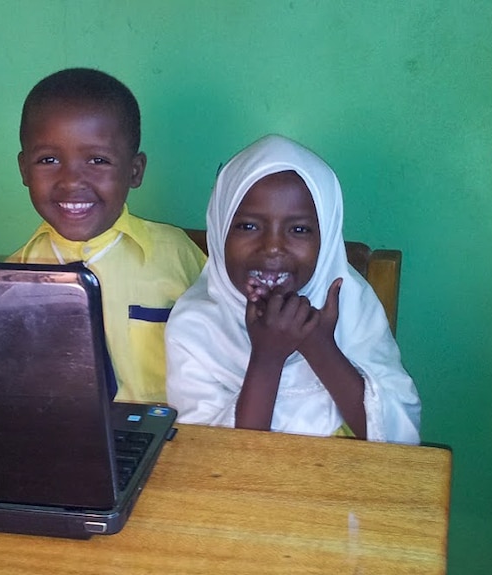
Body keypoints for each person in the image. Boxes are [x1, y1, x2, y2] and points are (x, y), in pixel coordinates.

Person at [165, 134, 421, 443]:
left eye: (299, 230)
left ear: (326, 239)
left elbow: (399, 438)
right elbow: (210, 458)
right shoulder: (195, 326)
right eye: (248, 226)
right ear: (219, 230)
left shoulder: (352, 306)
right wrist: (268, 357)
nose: (273, 247)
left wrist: (319, 345)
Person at [9, 68, 206, 404]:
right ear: (24, 169)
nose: (71, 180)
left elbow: (228, 348)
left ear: (134, 171)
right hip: (63, 442)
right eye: (49, 159)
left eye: (98, 160)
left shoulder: (177, 255)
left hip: (169, 437)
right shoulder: (11, 279)